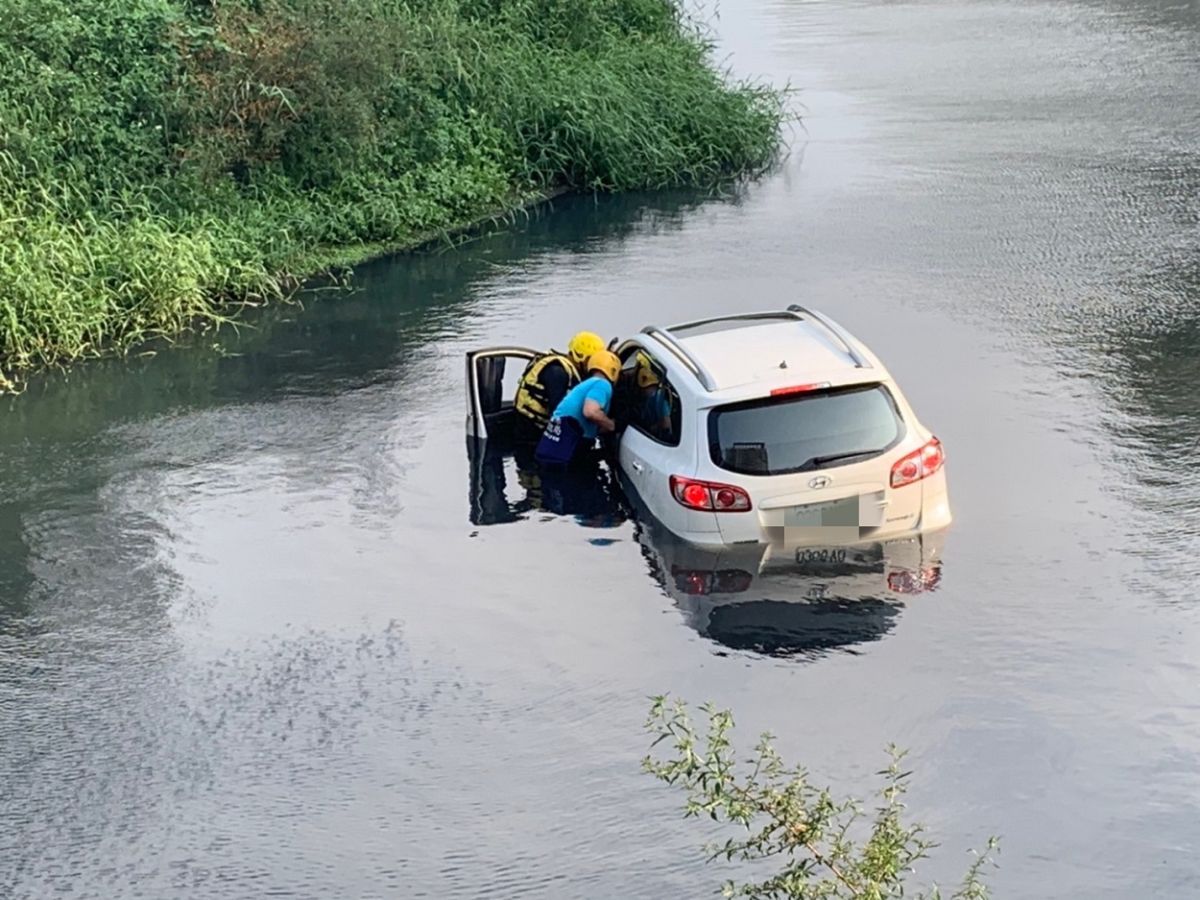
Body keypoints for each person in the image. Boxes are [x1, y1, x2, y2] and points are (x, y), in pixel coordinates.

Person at [512, 331, 606, 444]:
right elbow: (560, 413)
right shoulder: (557, 373)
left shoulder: (566, 369)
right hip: (532, 436)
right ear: (581, 358)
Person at [535, 350, 620, 468]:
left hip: (552, 447)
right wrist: (611, 425)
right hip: (569, 450)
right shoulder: (602, 384)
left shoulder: (585, 384)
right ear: (614, 371)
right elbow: (590, 412)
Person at [634, 351, 673, 440]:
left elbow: (667, 424)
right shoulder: (650, 399)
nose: (646, 391)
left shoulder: (660, 400)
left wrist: (653, 428)